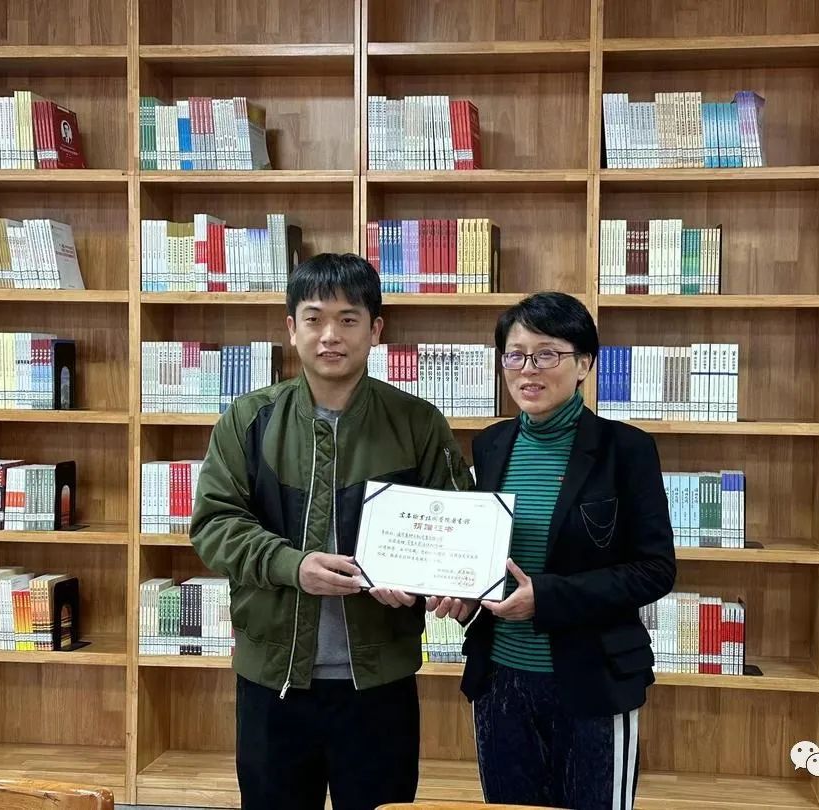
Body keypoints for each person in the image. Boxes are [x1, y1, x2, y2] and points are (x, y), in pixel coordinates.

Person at [190, 253, 475, 810]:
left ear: (376, 329)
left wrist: (427, 582)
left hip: (379, 683)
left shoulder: (416, 422)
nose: (330, 335)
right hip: (273, 679)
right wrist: (293, 565)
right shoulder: (248, 420)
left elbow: (456, 530)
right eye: (314, 318)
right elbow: (214, 525)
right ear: (290, 328)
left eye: (348, 319)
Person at [449, 291, 677, 810]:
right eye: (515, 355)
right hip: (499, 678)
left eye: (547, 354)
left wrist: (545, 598)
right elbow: (483, 552)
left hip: (592, 679)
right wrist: (462, 591)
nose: (528, 369)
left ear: (584, 365)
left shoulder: (626, 450)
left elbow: (655, 570)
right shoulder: (490, 444)